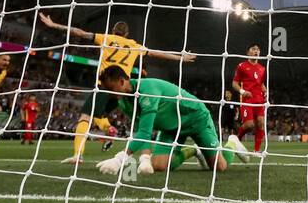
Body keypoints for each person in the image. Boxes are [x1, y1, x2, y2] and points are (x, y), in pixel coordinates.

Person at [39, 13, 195, 165]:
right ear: (126, 34)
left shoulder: (106, 38)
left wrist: (54, 25)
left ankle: (77, 155)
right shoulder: (134, 45)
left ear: (114, 31)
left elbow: (80, 33)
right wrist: (180, 57)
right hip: (122, 92)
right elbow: (157, 54)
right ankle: (110, 130)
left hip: (105, 86)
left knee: (85, 117)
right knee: (100, 115)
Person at [94, 67, 243, 175]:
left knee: (219, 167)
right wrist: (145, 157)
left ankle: (232, 143)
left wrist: (120, 159)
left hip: (196, 119)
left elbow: (145, 133)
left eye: (111, 89)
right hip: (170, 129)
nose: (109, 93)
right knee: (158, 165)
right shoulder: (123, 101)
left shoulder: (147, 90)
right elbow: (141, 128)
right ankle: (194, 150)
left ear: (121, 82)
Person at [232, 45, 268, 153]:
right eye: (253, 49)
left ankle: (256, 151)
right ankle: (237, 139)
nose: (256, 51)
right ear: (248, 53)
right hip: (247, 100)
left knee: (261, 123)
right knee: (249, 125)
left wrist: (265, 92)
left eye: (257, 49)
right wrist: (243, 92)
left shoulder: (262, 68)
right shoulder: (241, 66)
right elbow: (234, 83)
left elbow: (261, 84)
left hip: (259, 100)